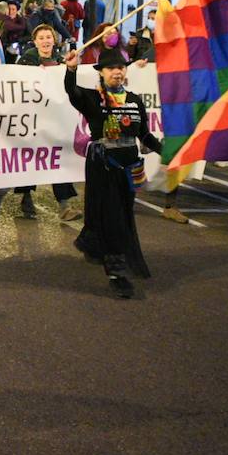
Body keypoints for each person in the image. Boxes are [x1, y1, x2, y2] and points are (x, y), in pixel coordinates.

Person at [62, 48, 163, 298]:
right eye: (111, 68)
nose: (117, 71)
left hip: (129, 168)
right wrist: (71, 69)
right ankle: (116, 271)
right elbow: (72, 92)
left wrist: (166, 150)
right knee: (112, 216)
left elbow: (145, 135)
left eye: (121, 67)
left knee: (123, 214)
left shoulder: (134, 100)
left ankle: (94, 243)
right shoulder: (93, 98)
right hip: (103, 166)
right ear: (102, 73)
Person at [13, 25, 83, 221]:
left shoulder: (61, 61)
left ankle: (64, 206)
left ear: (54, 40)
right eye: (41, 37)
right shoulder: (27, 60)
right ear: (35, 42)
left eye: (48, 37)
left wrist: (71, 69)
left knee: (57, 159)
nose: (45, 41)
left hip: (55, 118)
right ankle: (26, 198)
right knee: (30, 159)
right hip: (32, 119)